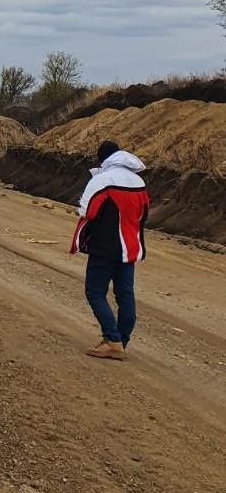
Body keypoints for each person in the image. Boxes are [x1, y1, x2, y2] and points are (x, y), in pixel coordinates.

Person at [71, 140, 148, 360]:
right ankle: (121, 340)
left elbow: (88, 211)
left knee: (95, 292)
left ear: (102, 159)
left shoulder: (102, 180)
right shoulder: (138, 181)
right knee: (125, 295)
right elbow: (144, 215)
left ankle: (112, 340)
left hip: (104, 248)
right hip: (129, 248)